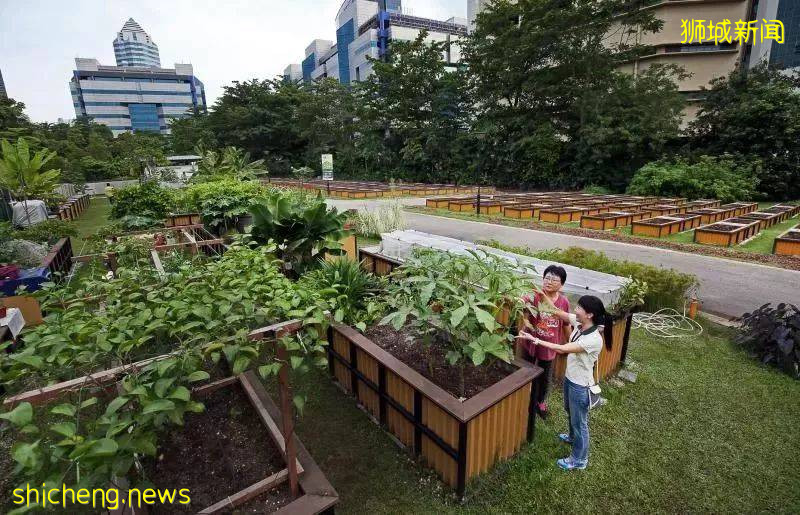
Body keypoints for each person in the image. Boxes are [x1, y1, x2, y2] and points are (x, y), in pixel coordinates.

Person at [519, 295, 606, 471]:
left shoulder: (593, 339)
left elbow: (562, 348)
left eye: (580, 307)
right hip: (570, 379)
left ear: (589, 314)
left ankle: (579, 460)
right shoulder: (580, 323)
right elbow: (556, 312)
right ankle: (572, 438)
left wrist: (535, 340)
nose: (575, 309)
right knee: (570, 412)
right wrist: (542, 294)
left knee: (580, 423)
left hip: (580, 386)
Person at [518, 265, 571, 419]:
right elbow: (522, 301)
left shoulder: (563, 302)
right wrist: (518, 299)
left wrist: (569, 343)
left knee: (544, 376)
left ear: (561, 284)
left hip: (548, 346)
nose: (549, 281)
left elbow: (566, 324)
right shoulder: (535, 296)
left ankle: (540, 402)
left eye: (554, 280)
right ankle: (524, 399)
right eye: (547, 278)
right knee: (525, 371)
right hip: (530, 342)